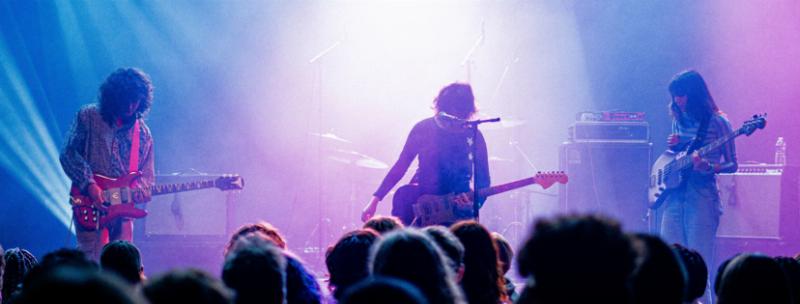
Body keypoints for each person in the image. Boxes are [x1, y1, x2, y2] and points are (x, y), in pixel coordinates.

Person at [60, 67, 155, 260]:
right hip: (90, 205)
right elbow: (68, 153)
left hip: (123, 212)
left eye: (135, 101)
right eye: (125, 100)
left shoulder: (143, 134)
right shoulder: (89, 117)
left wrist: (141, 189)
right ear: (113, 97)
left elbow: (146, 176)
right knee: (92, 263)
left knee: (123, 265)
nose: (130, 106)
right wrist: (90, 184)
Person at [361, 83, 490, 226]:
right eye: (450, 114)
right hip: (423, 203)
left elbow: (483, 181)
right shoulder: (423, 128)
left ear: (467, 112)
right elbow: (401, 165)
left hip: (457, 211)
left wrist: (474, 204)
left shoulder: (474, 135)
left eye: (459, 114)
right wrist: (375, 200)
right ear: (442, 109)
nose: (453, 122)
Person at [660, 70, 737, 267]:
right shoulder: (678, 118)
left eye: (681, 95)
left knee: (698, 265)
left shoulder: (719, 122)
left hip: (702, 196)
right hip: (675, 195)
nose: (677, 100)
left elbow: (732, 164)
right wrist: (675, 146)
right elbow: (678, 157)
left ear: (694, 94)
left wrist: (708, 166)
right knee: (671, 264)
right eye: (674, 96)